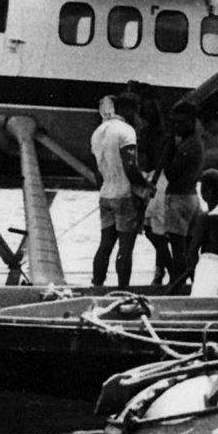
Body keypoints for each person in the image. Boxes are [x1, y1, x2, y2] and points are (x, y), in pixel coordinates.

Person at [89, 91, 147, 288]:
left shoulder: (98, 131)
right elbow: (130, 165)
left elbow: (97, 171)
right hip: (123, 194)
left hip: (105, 193)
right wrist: (145, 185)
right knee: (126, 247)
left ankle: (97, 284)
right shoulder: (126, 131)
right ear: (128, 109)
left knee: (105, 244)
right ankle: (123, 288)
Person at [159, 101, 204, 283]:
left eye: (180, 122)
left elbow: (170, 173)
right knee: (190, 247)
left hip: (179, 197)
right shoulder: (196, 142)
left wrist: (169, 149)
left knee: (178, 247)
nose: (176, 127)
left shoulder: (186, 146)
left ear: (191, 122)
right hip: (192, 196)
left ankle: (177, 283)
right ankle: (194, 283)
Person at [180, 169, 218, 296]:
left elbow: (192, 252)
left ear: (206, 192)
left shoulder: (205, 218)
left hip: (209, 270)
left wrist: (195, 276)